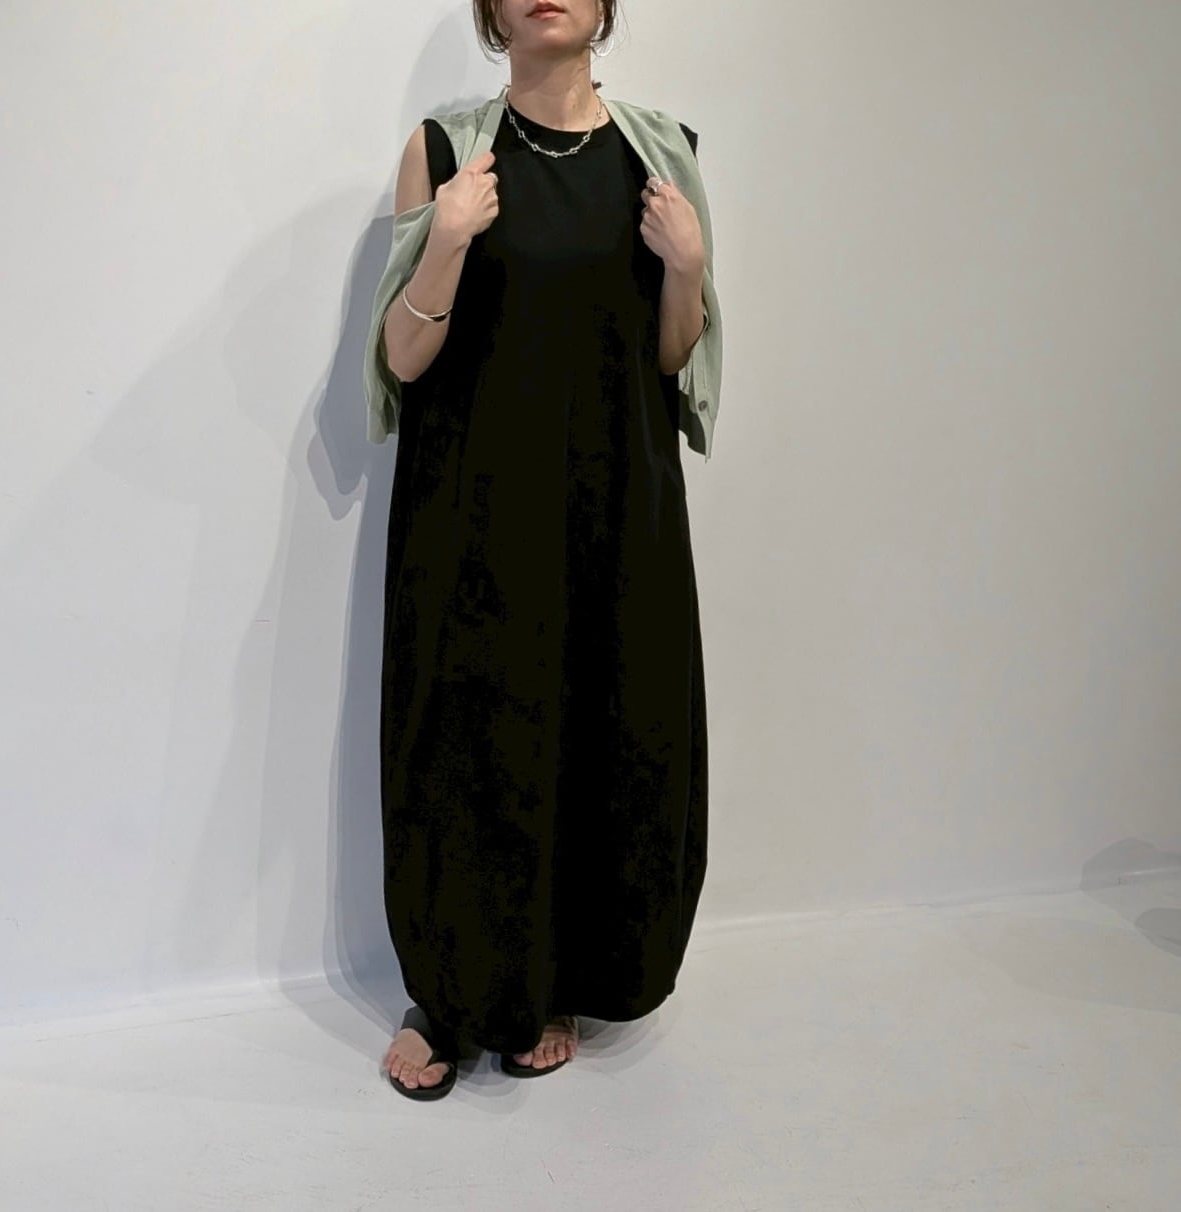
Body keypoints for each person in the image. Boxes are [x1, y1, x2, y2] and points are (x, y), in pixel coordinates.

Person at [374, 0, 714, 1099]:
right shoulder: (443, 151)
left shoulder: (662, 154)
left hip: (614, 499)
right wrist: (447, 241)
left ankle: (552, 978)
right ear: (491, 12)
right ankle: (448, 997)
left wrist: (687, 268)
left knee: (598, 726)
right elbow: (401, 357)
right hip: (471, 501)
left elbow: (671, 357)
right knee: (465, 729)